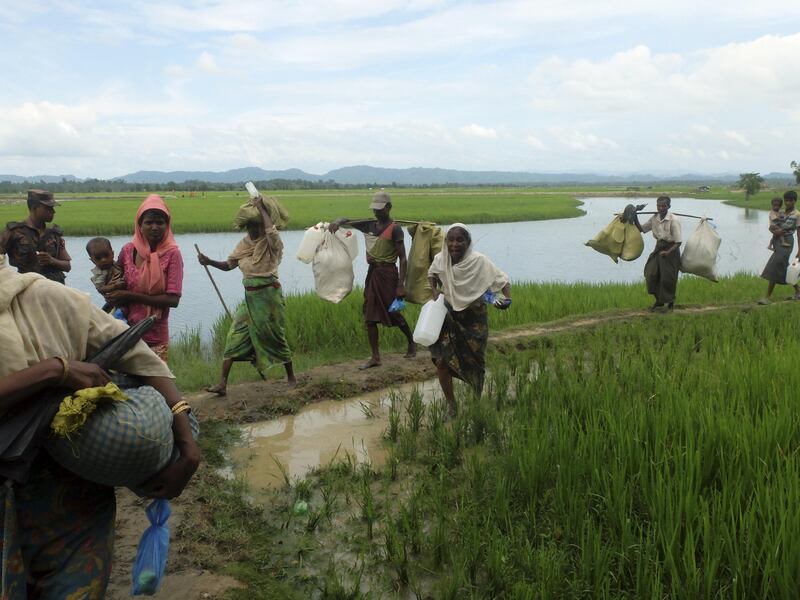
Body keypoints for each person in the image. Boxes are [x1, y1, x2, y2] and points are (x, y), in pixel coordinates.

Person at [0, 253, 200, 600]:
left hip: (73, 495)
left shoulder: (45, 295)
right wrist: (54, 371)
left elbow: (137, 354)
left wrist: (186, 440)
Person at [198, 196, 296, 394]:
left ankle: (291, 377)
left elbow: (272, 232)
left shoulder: (270, 242)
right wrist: (209, 262)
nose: (254, 230)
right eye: (250, 226)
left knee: (275, 336)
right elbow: (229, 265)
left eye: (257, 225)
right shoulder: (243, 245)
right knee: (234, 336)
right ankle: (222, 384)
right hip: (249, 299)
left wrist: (261, 208)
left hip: (269, 298)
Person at [427, 224, 511, 416]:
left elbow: (503, 281)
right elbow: (431, 274)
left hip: (474, 319)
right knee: (441, 360)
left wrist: (507, 300)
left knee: (475, 362)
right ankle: (451, 406)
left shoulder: (479, 261)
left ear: (468, 242)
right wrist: (435, 291)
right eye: (451, 239)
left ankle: (475, 403)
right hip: (448, 316)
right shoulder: (441, 259)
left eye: (460, 240)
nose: (454, 244)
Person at [329, 191, 416, 369]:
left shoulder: (395, 229)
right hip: (373, 273)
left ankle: (412, 342)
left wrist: (401, 285)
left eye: (380, 209)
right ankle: (375, 356)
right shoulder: (369, 224)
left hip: (388, 274)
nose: (376, 212)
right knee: (369, 315)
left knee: (394, 312)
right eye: (374, 209)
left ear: (389, 207)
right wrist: (338, 221)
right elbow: (347, 220)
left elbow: (403, 258)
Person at [107, 195, 183, 362]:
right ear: (139, 225)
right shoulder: (128, 251)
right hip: (125, 330)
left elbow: (173, 300)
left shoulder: (172, 254)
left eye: (160, 222)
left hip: (155, 333)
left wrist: (130, 296)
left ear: (167, 225)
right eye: (149, 222)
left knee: (155, 381)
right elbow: (114, 280)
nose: (154, 227)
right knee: (127, 383)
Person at [0, 189, 71, 283]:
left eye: (53, 208)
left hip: (55, 289)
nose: (53, 212)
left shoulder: (54, 234)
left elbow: (67, 266)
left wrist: (51, 260)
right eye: (48, 208)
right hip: (27, 288)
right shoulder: (14, 232)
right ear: (34, 208)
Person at [634, 195, 682, 311]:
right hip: (659, 248)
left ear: (668, 206)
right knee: (650, 274)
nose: (661, 208)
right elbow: (642, 229)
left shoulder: (674, 220)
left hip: (671, 250)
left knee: (667, 278)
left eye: (663, 206)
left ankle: (670, 302)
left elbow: (678, 242)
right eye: (659, 206)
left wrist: (667, 252)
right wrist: (634, 216)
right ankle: (659, 301)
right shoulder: (654, 218)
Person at [758, 190, 800, 304]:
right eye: (786, 200)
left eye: (790, 200)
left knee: (776, 263)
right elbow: (772, 225)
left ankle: (767, 297)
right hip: (777, 241)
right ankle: (798, 290)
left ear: (795, 201)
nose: (788, 203)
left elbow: (799, 232)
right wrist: (772, 230)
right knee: (783, 265)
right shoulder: (780, 212)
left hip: (787, 242)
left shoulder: (797, 214)